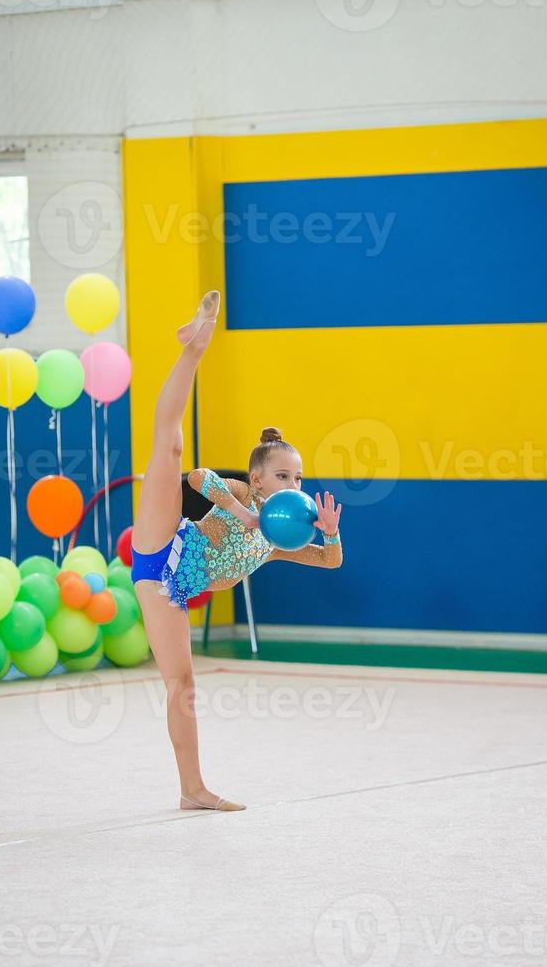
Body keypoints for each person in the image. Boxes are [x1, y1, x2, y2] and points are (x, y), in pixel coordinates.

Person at [131, 290, 343, 813]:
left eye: (297, 475)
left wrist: (331, 533)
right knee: (169, 444)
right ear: (258, 478)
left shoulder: (279, 538)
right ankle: (194, 347)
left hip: (169, 589)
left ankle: (191, 790)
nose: (292, 482)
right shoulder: (247, 496)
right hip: (166, 544)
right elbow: (197, 476)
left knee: (183, 685)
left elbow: (328, 561)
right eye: (282, 474)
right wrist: (241, 508)